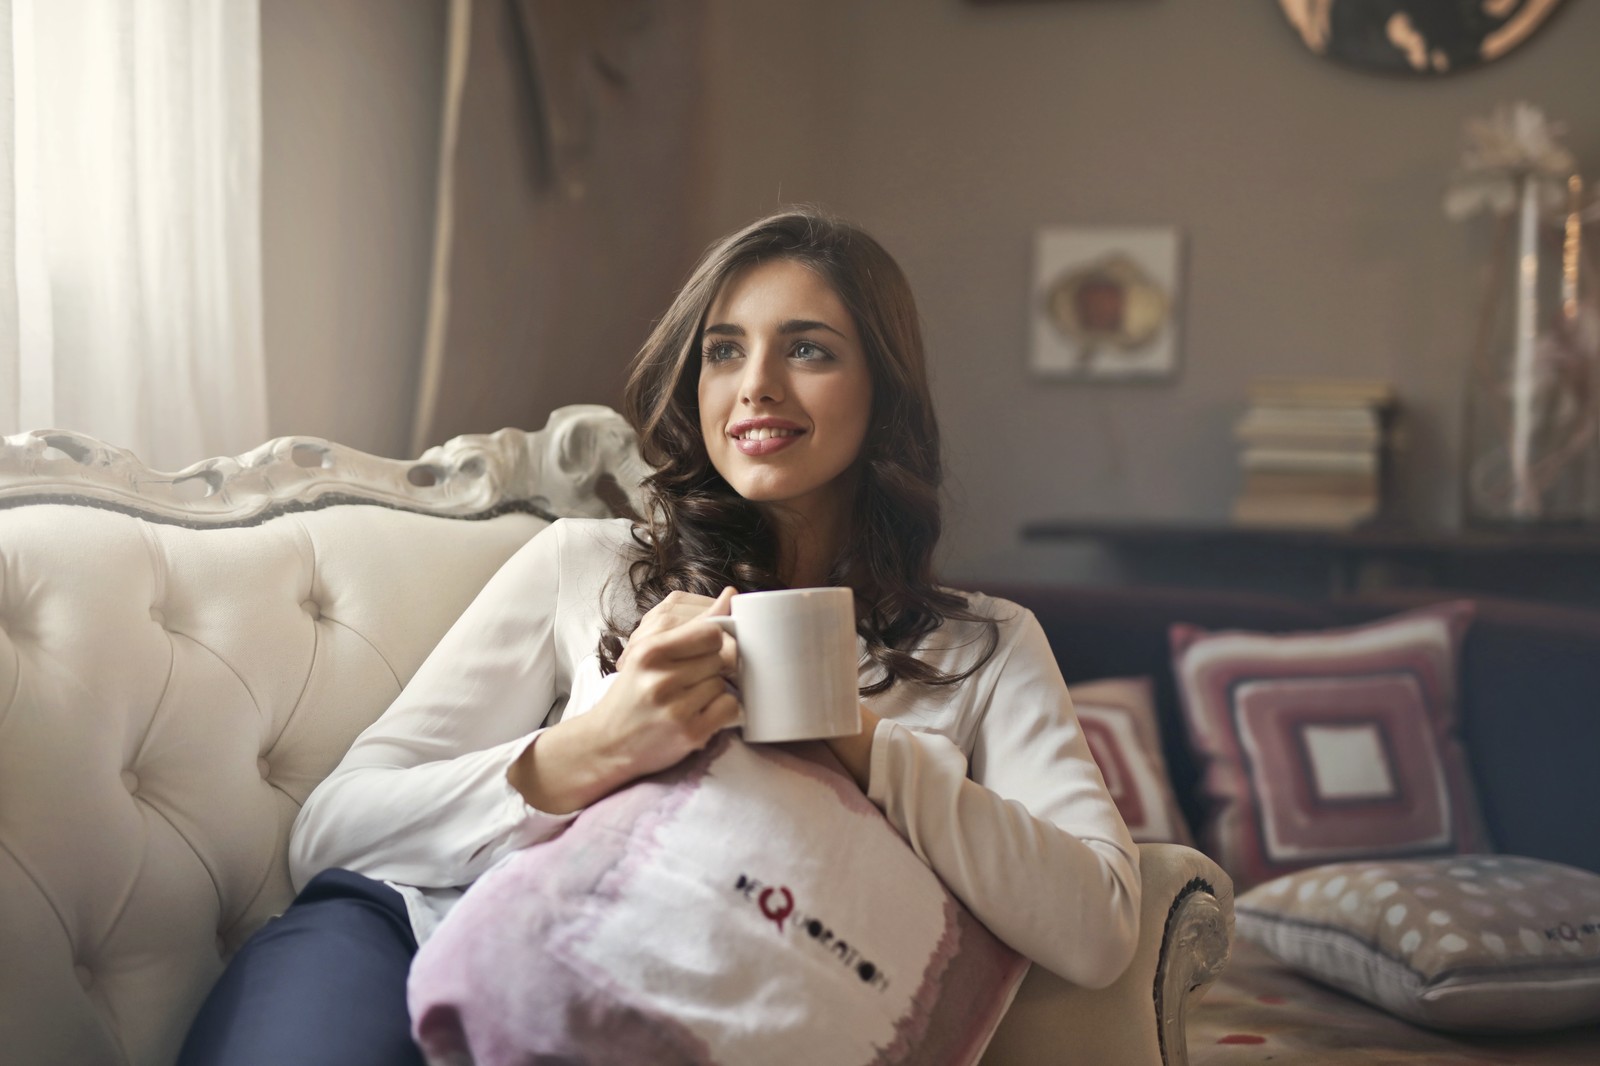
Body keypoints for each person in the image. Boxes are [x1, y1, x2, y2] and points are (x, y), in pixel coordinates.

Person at [177, 208, 1140, 1066]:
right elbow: (332, 831)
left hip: (680, 1016)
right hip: (410, 935)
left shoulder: (986, 647)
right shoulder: (587, 565)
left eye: (807, 349)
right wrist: (595, 748)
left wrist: (860, 744)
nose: (755, 386)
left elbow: (1098, 925)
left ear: (882, 391)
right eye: (724, 351)